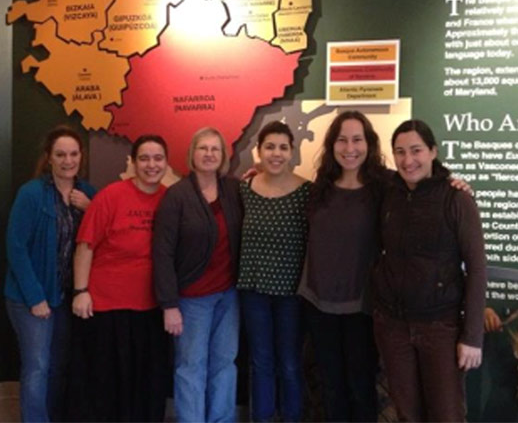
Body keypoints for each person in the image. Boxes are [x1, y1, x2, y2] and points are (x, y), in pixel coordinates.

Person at [372, 119, 487, 422]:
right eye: (399, 152)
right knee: (407, 414)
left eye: (416, 150)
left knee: (446, 415)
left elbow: (476, 267)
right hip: (393, 326)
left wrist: (473, 335)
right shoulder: (388, 191)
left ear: (433, 151)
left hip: (440, 328)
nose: (408, 160)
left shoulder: (456, 197)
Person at [70, 135, 169, 422]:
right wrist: (80, 290)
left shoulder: (170, 199)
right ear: (133, 162)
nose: (151, 165)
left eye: (158, 158)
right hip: (107, 305)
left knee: (148, 381)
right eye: (144, 158)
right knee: (109, 380)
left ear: (166, 162)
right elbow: (85, 245)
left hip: (151, 305)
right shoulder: (110, 196)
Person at [298, 111, 387, 422]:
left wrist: (452, 183)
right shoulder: (318, 189)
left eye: (357, 139)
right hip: (319, 306)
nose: (350, 148)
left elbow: (425, 189)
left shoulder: (385, 188)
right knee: (330, 386)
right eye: (342, 140)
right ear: (332, 145)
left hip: (362, 309)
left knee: (361, 387)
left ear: (369, 143)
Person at [5, 126, 96, 422]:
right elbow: (16, 247)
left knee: (58, 365)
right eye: (60, 155)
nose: (68, 160)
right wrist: (35, 298)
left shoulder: (87, 193)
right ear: (49, 158)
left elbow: (105, 237)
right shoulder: (31, 194)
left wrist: (90, 208)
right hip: (32, 298)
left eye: (73, 154)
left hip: (66, 298)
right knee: (37, 367)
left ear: (81, 157)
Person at [152, 127, 243, 423]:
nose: (209, 154)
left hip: (228, 297)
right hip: (191, 300)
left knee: (224, 364)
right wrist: (169, 304)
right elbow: (162, 253)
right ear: (192, 154)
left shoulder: (233, 190)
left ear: (223, 156)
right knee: (191, 366)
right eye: (203, 148)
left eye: (215, 149)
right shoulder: (176, 196)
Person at [238, 121, 310, 422]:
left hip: (291, 295)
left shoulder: (307, 192)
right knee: (260, 362)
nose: (276, 154)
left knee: (290, 363)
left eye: (283, 147)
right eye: (270, 147)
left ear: (292, 152)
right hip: (253, 292)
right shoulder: (245, 189)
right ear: (259, 151)